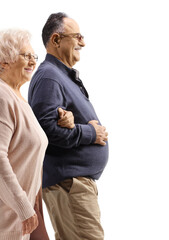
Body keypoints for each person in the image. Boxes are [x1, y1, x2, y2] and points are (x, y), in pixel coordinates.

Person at [0, 29, 72, 240]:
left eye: (33, 56)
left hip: (14, 221)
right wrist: (25, 209)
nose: (32, 62)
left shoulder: (16, 98)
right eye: (25, 55)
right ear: (4, 60)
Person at [28, 13, 109, 240]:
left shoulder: (59, 75)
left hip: (74, 185)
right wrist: (91, 132)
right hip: (70, 185)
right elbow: (44, 130)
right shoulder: (49, 77)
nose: (83, 42)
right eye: (78, 36)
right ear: (56, 40)